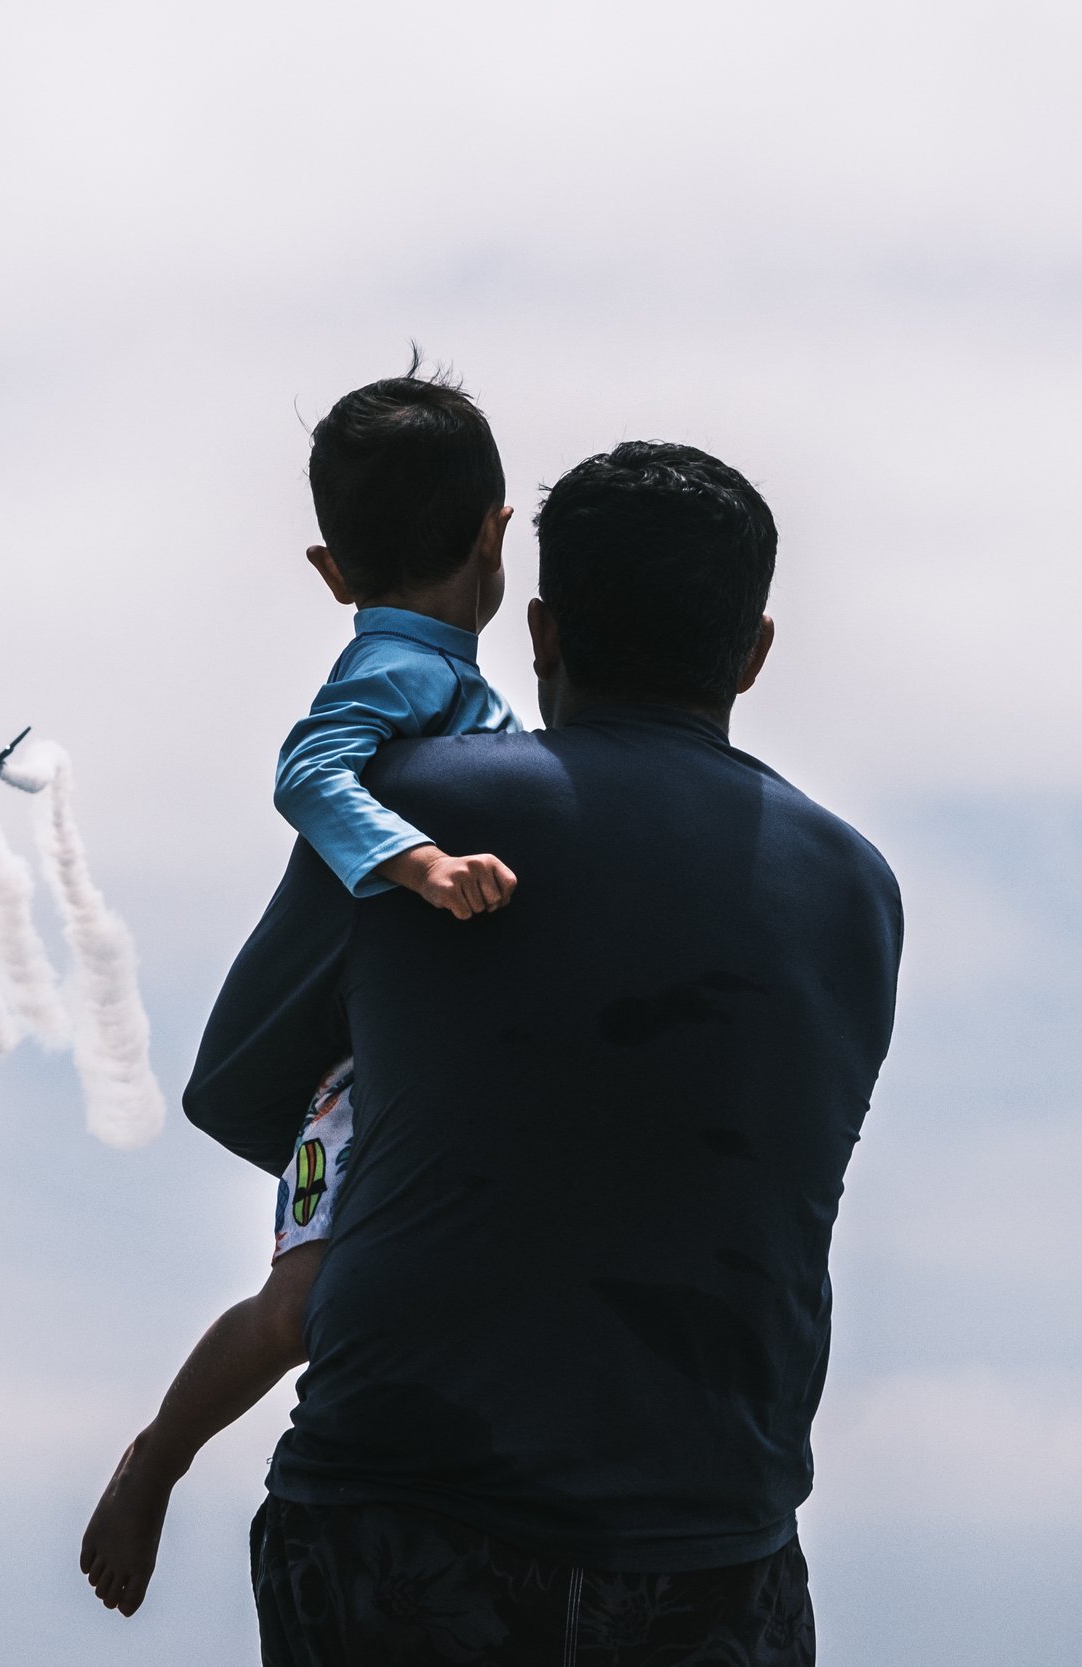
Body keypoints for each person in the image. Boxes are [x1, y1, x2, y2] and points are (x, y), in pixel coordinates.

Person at [185, 441, 904, 1664]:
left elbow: (240, 1088)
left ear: (541, 630)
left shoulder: (416, 801)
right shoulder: (855, 888)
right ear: (754, 651)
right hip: (717, 1542)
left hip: (405, 1515)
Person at [81, 364, 528, 1617]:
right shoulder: (401, 667)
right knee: (303, 1308)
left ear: (329, 566)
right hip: (358, 1072)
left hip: (424, 1058)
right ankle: (156, 1455)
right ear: (501, 536)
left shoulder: (445, 678)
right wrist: (421, 860)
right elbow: (308, 772)